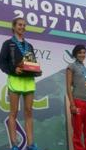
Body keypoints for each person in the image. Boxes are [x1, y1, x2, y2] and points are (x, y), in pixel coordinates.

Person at [0, 18, 41, 150]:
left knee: (29, 112)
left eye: (24, 25)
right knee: (14, 112)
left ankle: (31, 144)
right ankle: (14, 144)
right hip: (15, 80)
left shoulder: (29, 46)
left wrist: (37, 71)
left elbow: (32, 63)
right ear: (14, 27)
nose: (22, 27)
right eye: (20, 25)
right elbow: (2, 63)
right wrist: (13, 69)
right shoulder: (8, 44)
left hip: (29, 81)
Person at [66, 45, 86, 150]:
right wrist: (72, 104)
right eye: (79, 52)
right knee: (77, 131)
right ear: (75, 54)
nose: (82, 54)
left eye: (84, 52)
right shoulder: (71, 66)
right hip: (78, 101)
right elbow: (68, 86)